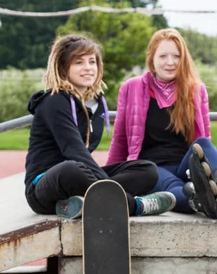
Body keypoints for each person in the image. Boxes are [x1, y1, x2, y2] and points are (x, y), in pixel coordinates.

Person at [24, 34, 176, 219]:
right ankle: (135, 205)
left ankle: (76, 203)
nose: (88, 68)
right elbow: (74, 150)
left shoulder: (96, 105)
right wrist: (106, 184)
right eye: (79, 62)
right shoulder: (54, 101)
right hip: (44, 186)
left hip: (78, 178)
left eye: (92, 61)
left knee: (147, 170)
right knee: (72, 168)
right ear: (64, 67)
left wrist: (101, 181)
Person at [106, 28, 217, 224]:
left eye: (176, 56)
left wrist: (204, 169)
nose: (170, 62)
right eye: (163, 56)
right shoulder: (132, 88)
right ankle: (208, 199)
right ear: (151, 58)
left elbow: (204, 137)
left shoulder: (196, 90)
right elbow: (119, 140)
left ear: (183, 59)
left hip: (187, 166)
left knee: (203, 142)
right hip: (151, 168)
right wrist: (107, 179)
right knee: (175, 188)